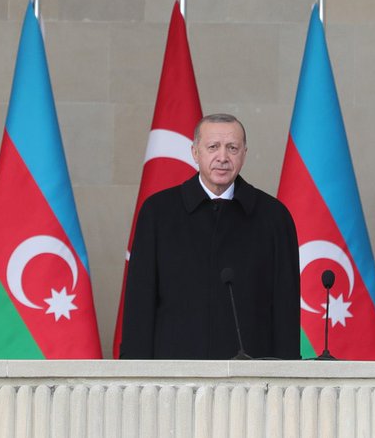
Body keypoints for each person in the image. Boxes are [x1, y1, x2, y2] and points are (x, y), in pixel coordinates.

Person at [121, 113, 301, 359]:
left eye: (232, 148)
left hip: (251, 372)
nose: (223, 157)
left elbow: (285, 307)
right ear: (195, 153)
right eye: (213, 147)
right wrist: (134, 371)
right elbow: (140, 301)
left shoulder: (274, 217)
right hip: (173, 371)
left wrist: (287, 372)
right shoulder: (158, 212)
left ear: (244, 153)